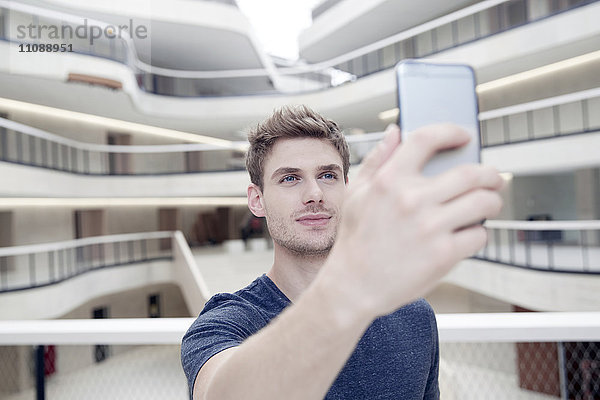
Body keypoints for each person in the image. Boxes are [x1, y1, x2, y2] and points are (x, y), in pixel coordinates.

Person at [181, 105, 503, 399]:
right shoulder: (228, 322)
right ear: (257, 200)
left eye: (328, 175)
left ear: (347, 186)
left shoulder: (415, 315)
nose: (315, 194)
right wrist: (353, 284)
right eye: (290, 178)